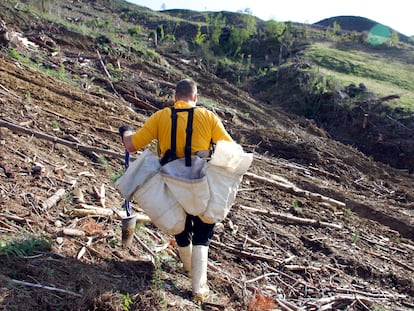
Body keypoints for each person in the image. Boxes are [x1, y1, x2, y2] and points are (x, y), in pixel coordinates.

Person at [119, 78, 233, 302]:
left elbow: (131, 145)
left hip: (171, 181)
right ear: (195, 98)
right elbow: (229, 148)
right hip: (200, 181)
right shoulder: (208, 116)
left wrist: (125, 132)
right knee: (203, 228)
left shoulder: (161, 116)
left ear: (174, 97)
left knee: (180, 225)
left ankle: (188, 268)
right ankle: (199, 288)